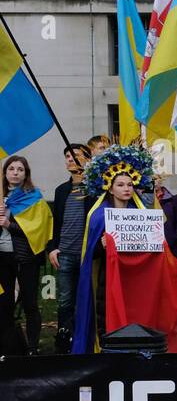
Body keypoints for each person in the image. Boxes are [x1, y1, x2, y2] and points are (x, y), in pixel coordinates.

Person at [72, 145, 154, 353]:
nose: (127, 189)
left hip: (135, 278)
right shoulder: (99, 216)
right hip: (107, 279)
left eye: (129, 184)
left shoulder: (142, 214)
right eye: (120, 185)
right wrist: (100, 246)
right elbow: (90, 255)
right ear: (110, 188)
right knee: (107, 318)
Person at [0, 156, 54, 353]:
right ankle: (8, 346)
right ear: (5, 173)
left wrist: (9, 225)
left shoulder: (34, 198)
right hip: (2, 257)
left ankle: (32, 347)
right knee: (4, 303)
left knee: (30, 303)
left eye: (20, 169)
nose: (15, 172)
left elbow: (37, 229)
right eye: (11, 168)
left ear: (26, 173)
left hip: (25, 257)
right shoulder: (1, 196)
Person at [48, 143, 91, 352]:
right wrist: (53, 247)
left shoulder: (93, 188)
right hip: (64, 253)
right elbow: (57, 222)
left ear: (87, 159)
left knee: (85, 299)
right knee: (65, 301)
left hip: (86, 254)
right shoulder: (61, 190)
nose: (71, 159)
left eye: (76, 155)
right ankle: (65, 340)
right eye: (67, 156)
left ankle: (84, 340)